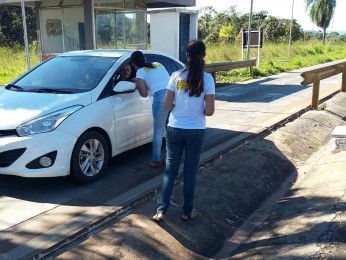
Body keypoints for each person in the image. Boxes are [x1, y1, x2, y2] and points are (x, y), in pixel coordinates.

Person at [152, 39, 215, 222]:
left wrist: (175, 105)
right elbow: (209, 111)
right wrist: (200, 109)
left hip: (174, 129)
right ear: (203, 56)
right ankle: (187, 212)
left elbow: (166, 104)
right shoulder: (207, 79)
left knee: (170, 171)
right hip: (196, 130)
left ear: (186, 56)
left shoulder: (176, 76)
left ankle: (161, 211)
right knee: (189, 172)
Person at [131, 50, 171, 168]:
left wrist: (137, 84)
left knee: (158, 130)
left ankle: (156, 160)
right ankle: (170, 159)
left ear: (133, 64)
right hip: (173, 96)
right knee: (169, 129)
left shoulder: (140, 71)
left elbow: (143, 93)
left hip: (161, 99)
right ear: (144, 59)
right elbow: (158, 81)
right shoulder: (158, 64)